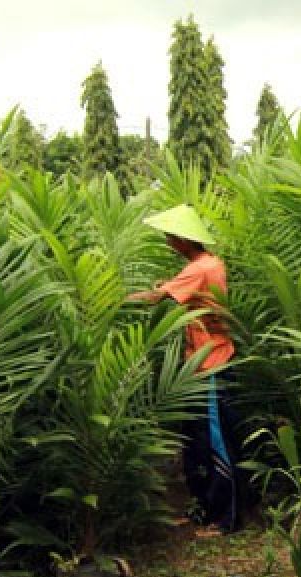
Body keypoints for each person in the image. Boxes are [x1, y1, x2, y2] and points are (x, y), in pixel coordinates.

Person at [128, 204, 243, 533]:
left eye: (169, 237)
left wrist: (115, 301)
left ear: (181, 240)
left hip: (211, 365)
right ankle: (202, 510)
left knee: (216, 442)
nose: (167, 242)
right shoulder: (208, 263)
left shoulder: (198, 270)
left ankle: (227, 520)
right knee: (196, 442)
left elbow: (154, 298)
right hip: (203, 363)